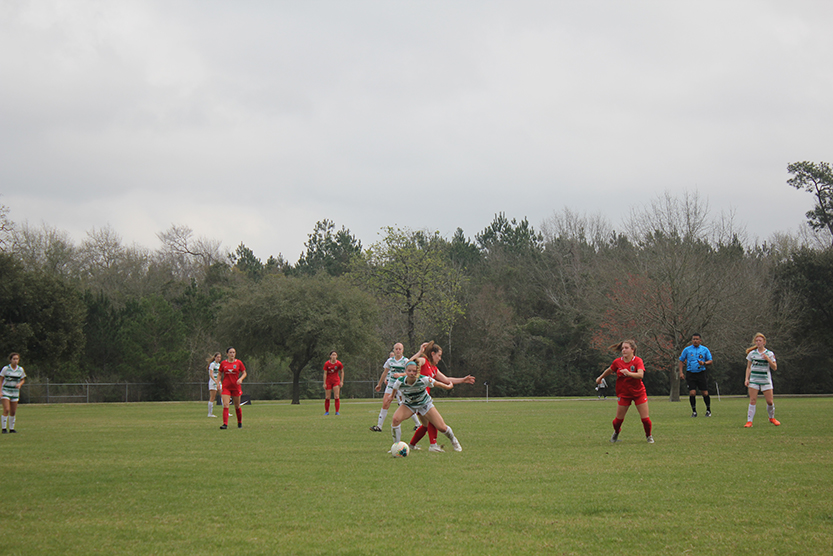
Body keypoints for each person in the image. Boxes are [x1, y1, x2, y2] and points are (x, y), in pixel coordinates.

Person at [407, 341, 475, 452]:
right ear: (432, 354)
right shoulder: (424, 361)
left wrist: (463, 380)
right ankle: (447, 442)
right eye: (439, 355)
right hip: (420, 400)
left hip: (420, 400)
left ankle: (412, 445)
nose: (440, 358)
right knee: (440, 426)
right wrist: (420, 352)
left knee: (426, 425)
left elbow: (446, 379)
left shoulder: (433, 369)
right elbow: (410, 363)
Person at [389, 357, 462, 452]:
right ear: (405, 371)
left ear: (418, 371)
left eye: (414, 371)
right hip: (409, 405)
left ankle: (454, 441)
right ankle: (396, 446)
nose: (412, 373)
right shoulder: (399, 382)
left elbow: (437, 384)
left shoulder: (424, 379)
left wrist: (448, 387)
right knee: (395, 420)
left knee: (441, 427)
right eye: (409, 371)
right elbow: (394, 391)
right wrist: (391, 397)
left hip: (425, 404)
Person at [596, 340, 654, 443]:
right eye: (622, 348)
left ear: (633, 349)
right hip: (624, 393)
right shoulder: (617, 362)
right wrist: (600, 378)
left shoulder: (638, 361)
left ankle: (649, 436)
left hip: (638, 393)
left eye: (626, 348)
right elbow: (609, 370)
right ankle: (616, 432)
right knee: (617, 421)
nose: (624, 350)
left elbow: (640, 375)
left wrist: (629, 373)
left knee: (645, 419)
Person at [371, 343, 420, 431]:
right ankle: (379, 426)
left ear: (403, 350)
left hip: (401, 386)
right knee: (385, 403)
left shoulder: (405, 361)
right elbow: (385, 372)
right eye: (396, 349)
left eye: (399, 349)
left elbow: (410, 373)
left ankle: (418, 424)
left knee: (405, 404)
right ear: (394, 350)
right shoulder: (390, 361)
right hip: (391, 385)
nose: (398, 351)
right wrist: (379, 384)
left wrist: (400, 374)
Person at [743, 333, 780, 428]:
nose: (758, 342)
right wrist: (747, 379)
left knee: (770, 401)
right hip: (754, 380)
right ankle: (749, 421)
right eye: (757, 341)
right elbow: (748, 367)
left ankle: (772, 418)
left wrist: (768, 359)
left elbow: (774, 367)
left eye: (760, 341)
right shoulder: (752, 354)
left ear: (764, 342)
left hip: (765, 381)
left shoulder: (770, 354)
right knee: (752, 400)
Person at [678, 333, 713, 417]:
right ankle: (694, 411)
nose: (695, 341)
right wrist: (681, 372)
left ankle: (708, 410)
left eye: (697, 339)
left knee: (704, 392)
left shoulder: (705, 349)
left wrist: (704, 363)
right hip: (691, 374)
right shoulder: (687, 350)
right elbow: (681, 360)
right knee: (692, 393)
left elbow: (710, 361)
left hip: (701, 373)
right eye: (694, 339)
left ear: (700, 340)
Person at [218, 347, 247, 429]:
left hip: (236, 387)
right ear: (227, 354)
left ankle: (239, 422)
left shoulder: (239, 363)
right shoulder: (223, 363)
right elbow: (220, 373)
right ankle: (225, 424)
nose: (232, 354)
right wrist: (218, 382)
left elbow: (244, 373)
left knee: (237, 406)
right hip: (226, 387)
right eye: (230, 352)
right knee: (226, 405)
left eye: (233, 352)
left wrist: (241, 379)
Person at [1, 352, 26, 433]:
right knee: (7, 409)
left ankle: (11, 429)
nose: (16, 361)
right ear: (10, 360)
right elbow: (1, 380)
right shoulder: (6, 369)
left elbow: (23, 379)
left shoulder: (20, 369)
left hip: (15, 392)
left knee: (13, 411)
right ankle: (4, 428)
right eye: (14, 359)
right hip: (6, 391)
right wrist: (0, 391)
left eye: (17, 359)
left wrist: (20, 384)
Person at [323, 350, 344, 415]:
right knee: (327, 397)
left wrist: (341, 381)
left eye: (335, 355)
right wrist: (324, 383)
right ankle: (327, 411)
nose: (334, 356)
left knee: (336, 396)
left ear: (337, 356)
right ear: (330, 356)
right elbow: (325, 373)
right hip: (328, 381)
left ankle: (337, 411)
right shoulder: (327, 364)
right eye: (333, 355)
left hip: (336, 381)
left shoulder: (339, 363)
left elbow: (342, 372)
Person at [207, 352, 222, 417]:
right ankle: (210, 413)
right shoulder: (212, 364)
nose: (219, 358)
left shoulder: (220, 365)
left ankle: (226, 412)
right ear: (215, 357)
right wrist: (215, 381)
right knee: (212, 397)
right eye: (217, 357)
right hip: (213, 382)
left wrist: (219, 381)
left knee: (223, 396)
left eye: (220, 357)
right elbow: (211, 374)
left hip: (218, 382)